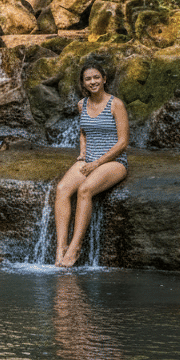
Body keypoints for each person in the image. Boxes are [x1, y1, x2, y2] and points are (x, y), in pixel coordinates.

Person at [53, 63, 128, 268]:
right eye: (88, 79)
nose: (93, 82)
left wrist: (97, 163)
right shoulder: (82, 105)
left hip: (113, 162)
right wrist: (83, 153)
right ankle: (61, 247)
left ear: (104, 79)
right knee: (62, 189)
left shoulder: (116, 104)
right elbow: (84, 131)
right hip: (89, 160)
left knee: (85, 190)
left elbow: (123, 142)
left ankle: (75, 247)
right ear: (83, 83)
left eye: (96, 77)